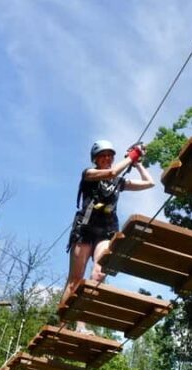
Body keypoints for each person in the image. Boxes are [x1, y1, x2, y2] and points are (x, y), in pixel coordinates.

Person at [61, 139, 154, 333]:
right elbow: (111, 172)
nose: (107, 158)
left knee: (99, 273)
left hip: (105, 232)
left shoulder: (118, 182)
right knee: (75, 280)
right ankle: (61, 324)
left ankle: (80, 323)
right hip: (84, 231)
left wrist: (137, 163)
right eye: (102, 155)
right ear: (95, 159)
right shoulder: (89, 174)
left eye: (110, 155)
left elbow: (149, 183)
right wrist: (131, 157)